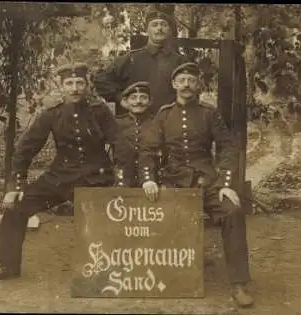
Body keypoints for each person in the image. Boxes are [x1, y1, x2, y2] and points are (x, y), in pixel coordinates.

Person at [0, 63, 118, 282]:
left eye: (79, 83)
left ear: (88, 85)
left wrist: (120, 179)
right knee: (17, 208)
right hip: (60, 177)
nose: (75, 89)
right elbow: (25, 150)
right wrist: (15, 187)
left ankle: (106, 271)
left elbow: (120, 145)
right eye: (69, 84)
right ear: (61, 87)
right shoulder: (53, 114)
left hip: (95, 177)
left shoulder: (100, 112)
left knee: (103, 219)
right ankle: (7, 265)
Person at [138, 62, 254, 307]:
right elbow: (148, 149)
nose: (186, 85)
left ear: (198, 84)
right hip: (174, 181)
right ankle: (163, 277)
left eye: (191, 80)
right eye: (182, 80)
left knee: (232, 211)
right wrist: (148, 178)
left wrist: (225, 184)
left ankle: (238, 283)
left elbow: (227, 148)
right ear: (174, 85)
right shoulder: (164, 115)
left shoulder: (208, 114)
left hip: (207, 181)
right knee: (159, 217)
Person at [92, 9, 190, 118]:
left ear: (170, 30)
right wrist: (120, 97)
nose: (159, 28)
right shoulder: (130, 59)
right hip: (136, 125)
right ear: (147, 30)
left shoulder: (180, 62)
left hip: (169, 122)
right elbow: (100, 79)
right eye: (154, 25)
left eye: (163, 25)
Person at [113, 81, 154, 187]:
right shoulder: (117, 123)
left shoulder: (156, 122)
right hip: (122, 178)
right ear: (125, 102)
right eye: (133, 98)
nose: (138, 101)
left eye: (143, 97)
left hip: (150, 177)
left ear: (150, 102)